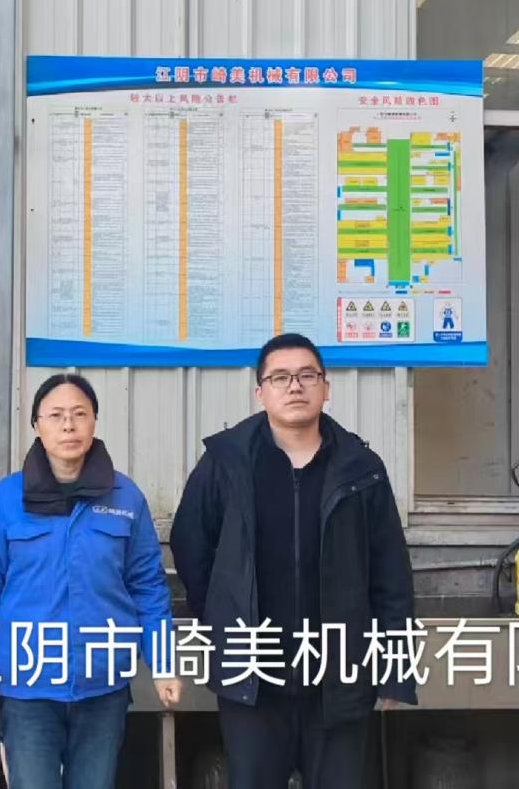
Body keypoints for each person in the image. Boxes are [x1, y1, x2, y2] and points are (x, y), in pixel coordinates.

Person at [170, 332, 416, 789]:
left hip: (339, 679)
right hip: (254, 678)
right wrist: (220, 615)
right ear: (260, 392)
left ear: (326, 387)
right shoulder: (226, 463)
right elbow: (190, 544)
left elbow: (390, 574)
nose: (295, 386)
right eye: (280, 377)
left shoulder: (361, 468)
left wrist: (396, 670)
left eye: (307, 375)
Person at [0, 374, 181, 788]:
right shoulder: (6, 501)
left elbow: (148, 587)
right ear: (37, 425)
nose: (68, 426)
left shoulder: (125, 498)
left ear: (94, 421)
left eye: (80, 414)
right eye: (56, 415)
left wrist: (163, 663)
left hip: (102, 687)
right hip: (28, 687)